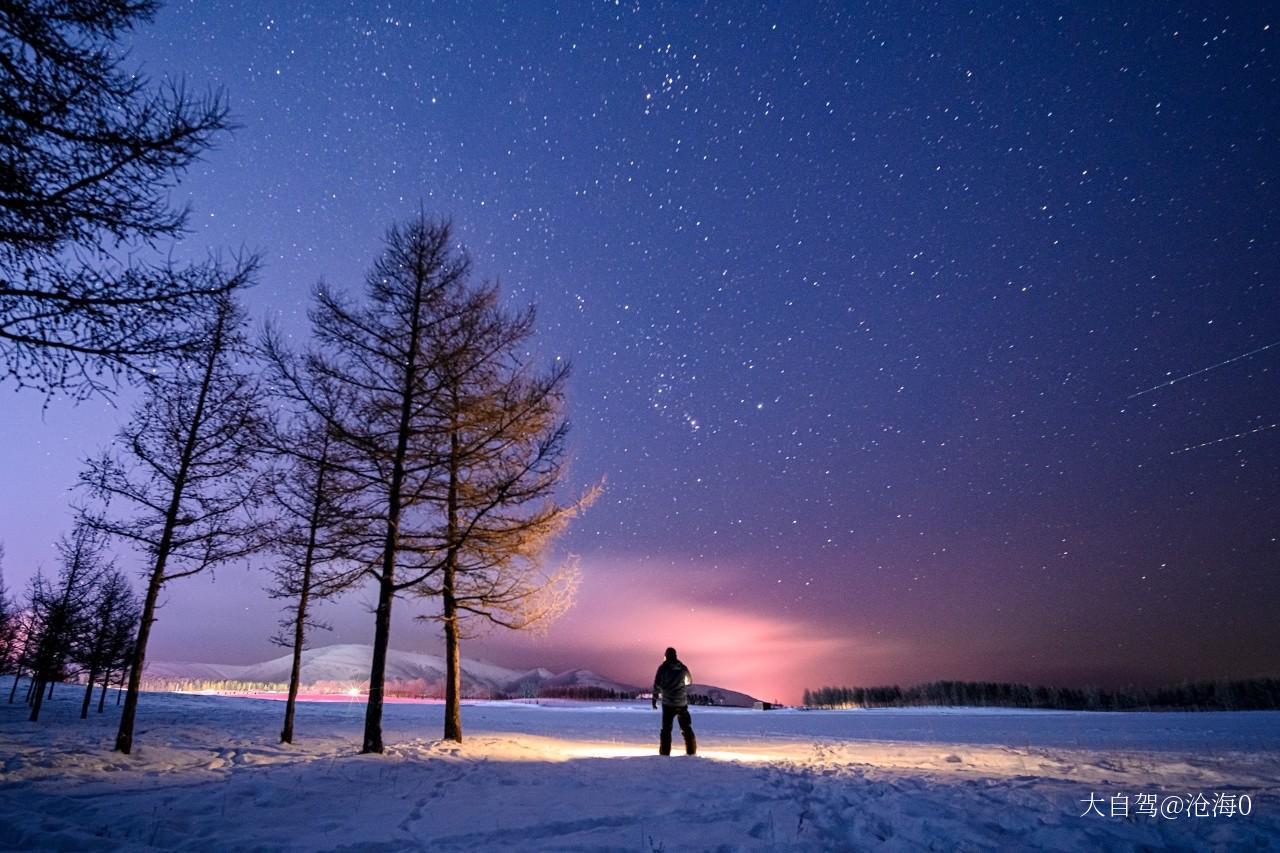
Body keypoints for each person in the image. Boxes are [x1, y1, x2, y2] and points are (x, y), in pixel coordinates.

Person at [652, 646, 697, 755]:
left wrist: (654, 698)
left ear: (666, 656)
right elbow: (689, 681)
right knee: (686, 728)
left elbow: (657, 684)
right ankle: (691, 752)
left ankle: (665, 753)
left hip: (668, 703)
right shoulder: (683, 667)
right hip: (682, 703)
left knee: (666, 730)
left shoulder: (663, 668)